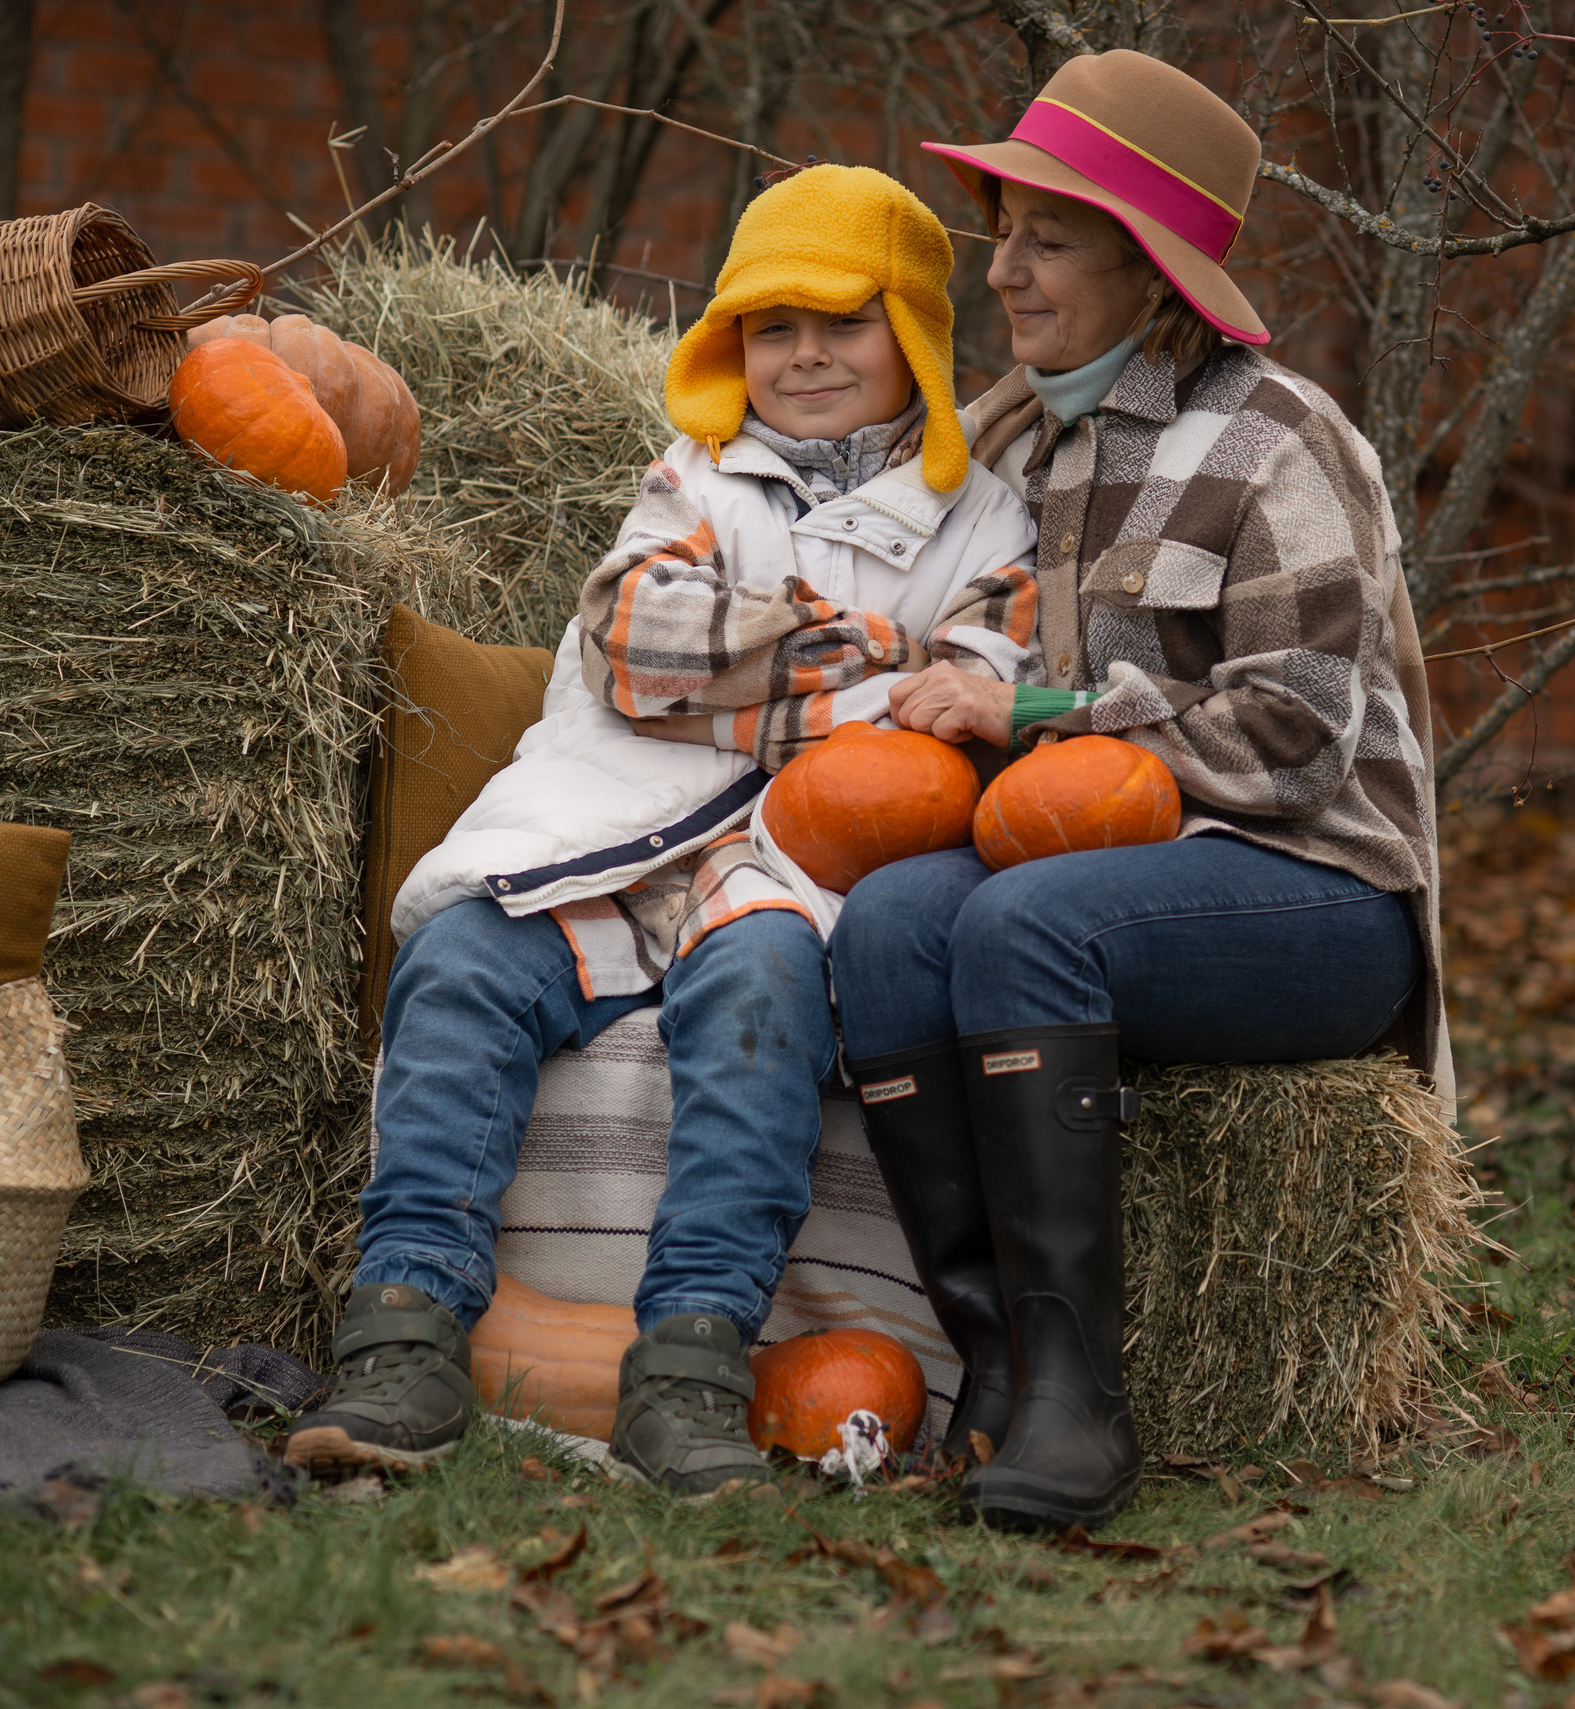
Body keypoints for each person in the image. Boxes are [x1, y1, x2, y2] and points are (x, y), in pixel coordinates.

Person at [283, 165, 1038, 1491]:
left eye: (843, 323)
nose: (804, 356)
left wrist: (777, 679)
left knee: (764, 996)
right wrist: (858, 647)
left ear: (913, 333)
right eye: (771, 326)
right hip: (603, 821)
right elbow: (633, 639)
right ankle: (403, 1328)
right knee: (461, 956)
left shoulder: (981, 518)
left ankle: (690, 1363)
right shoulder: (701, 477)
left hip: (777, 861)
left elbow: (947, 726)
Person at [828, 51, 1452, 1532]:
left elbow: (1297, 732)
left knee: (1021, 928)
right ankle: (988, 1362)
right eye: (1004, 230)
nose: (1006, 270)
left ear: (1145, 266)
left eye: (1046, 235)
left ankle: (1078, 1394)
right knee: (894, 928)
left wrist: (1041, 707)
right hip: (1094, 866)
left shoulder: (1279, 440)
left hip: (1315, 893)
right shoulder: (1007, 439)